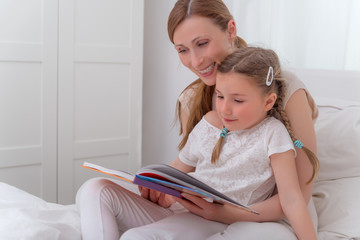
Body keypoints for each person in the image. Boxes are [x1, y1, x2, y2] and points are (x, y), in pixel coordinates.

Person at [76, 0, 319, 239]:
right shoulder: (195, 100)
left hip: (260, 216)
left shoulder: (280, 90)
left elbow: (296, 196)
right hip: (202, 210)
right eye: (182, 50)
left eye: (202, 43)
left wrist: (221, 213)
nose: (195, 61)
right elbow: (189, 168)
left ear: (231, 30)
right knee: (94, 189)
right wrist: (158, 186)